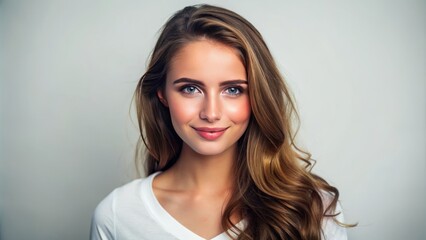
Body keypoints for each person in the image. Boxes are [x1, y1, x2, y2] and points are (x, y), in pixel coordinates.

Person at [91, 4, 351, 240]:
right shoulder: (118, 215)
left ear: (258, 96)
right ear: (162, 94)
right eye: (191, 89)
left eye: (233, 90)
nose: (211, 113)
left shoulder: (313, 208)